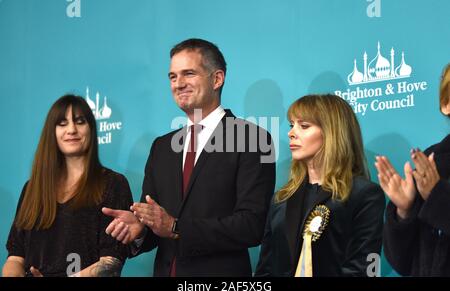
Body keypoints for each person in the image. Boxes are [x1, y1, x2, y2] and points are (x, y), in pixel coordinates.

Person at [102, 38, 276, 276]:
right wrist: (141, 228)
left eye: (188, 74)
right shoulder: (162, 148)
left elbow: (251, 226)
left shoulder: (251, 139)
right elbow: (157, 225)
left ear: (217, 79)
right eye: (173, 77)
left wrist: (176, 227)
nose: (179, 84)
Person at [2, 95, 133, 277]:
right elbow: (15, 258)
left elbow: (111, 263)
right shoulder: (32, 189)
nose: (71, 130)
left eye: (79, 122)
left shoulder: (113, 184)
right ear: (52, 132)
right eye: (62, 123)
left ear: (91, 129)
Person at [255, 94, 385, 277]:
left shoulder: (364, 194)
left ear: (332, 132)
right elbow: (265, 270)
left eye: (304, 126)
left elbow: (363, 268)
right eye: (292, 125)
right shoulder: (281, 199)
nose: (291, 133)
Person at [376, 64, 450, 276]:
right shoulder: (432, 162)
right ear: (446, 104)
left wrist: (437, 198)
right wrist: (404, 211)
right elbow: (402, 262)